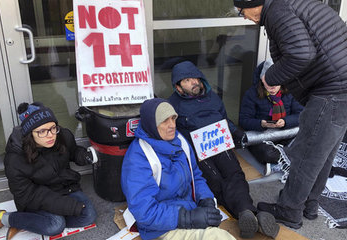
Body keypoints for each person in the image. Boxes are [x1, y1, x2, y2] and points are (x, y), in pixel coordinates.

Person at [233, 0, 347, 229]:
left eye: (243, 10)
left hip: (335, 90)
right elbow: (306, 49)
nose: (244, 16)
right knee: (324, 151)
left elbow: (301, 54)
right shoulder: (282, 5)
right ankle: (309, 203)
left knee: (308, 152)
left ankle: (289, 210)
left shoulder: (278, 14)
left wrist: (270, 77)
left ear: (256, 3)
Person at [168, 61, 279, 239]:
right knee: (215, 181)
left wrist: (237, 133)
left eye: (195, 77)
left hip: (219, 144)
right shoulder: (172, 105)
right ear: (178, 87)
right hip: (197, 152)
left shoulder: (213, 98)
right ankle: (248, 212)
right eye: (187, 80)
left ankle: (246, 213)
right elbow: (172, 134)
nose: (194, 82)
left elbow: (225, 121)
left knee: (234, 173)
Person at [0, 102, 97, 240]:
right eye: (42, 131)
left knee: (89, 216)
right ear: (30, 133)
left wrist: (84, 156)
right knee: (55, 225)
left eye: (53, 128)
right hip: (35, 198)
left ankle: (31, 222)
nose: (50, 135)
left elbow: (72, 151)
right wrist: (67, 207)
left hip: (65, 188)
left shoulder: (61, 135)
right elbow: (28, 195)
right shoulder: (15, 159)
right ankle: (0, 219)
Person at [121, 98, 235, 240]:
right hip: (161, 226)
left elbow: (196, 176)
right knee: (217, 237)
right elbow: (144, 212)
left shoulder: (180, 141)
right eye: (164, 121)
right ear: (151, 124)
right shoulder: (138, 158)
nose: (172, 125)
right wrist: (187, 218)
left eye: (173, 118)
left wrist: (206, 199)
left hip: (189, 211)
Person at [239, 60, 303, 173]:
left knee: (311, 141)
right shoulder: (252, 94)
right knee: (267, 154)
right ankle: (291, 159)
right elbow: (243, 120)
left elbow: (301, 114)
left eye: (276, 83)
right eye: (269, 83)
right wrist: (261, 124)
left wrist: (285, 121)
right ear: (262, 80)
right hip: (262, 136)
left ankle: (281, 161)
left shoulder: (290, 92)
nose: (273, 87)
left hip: (286, 132)